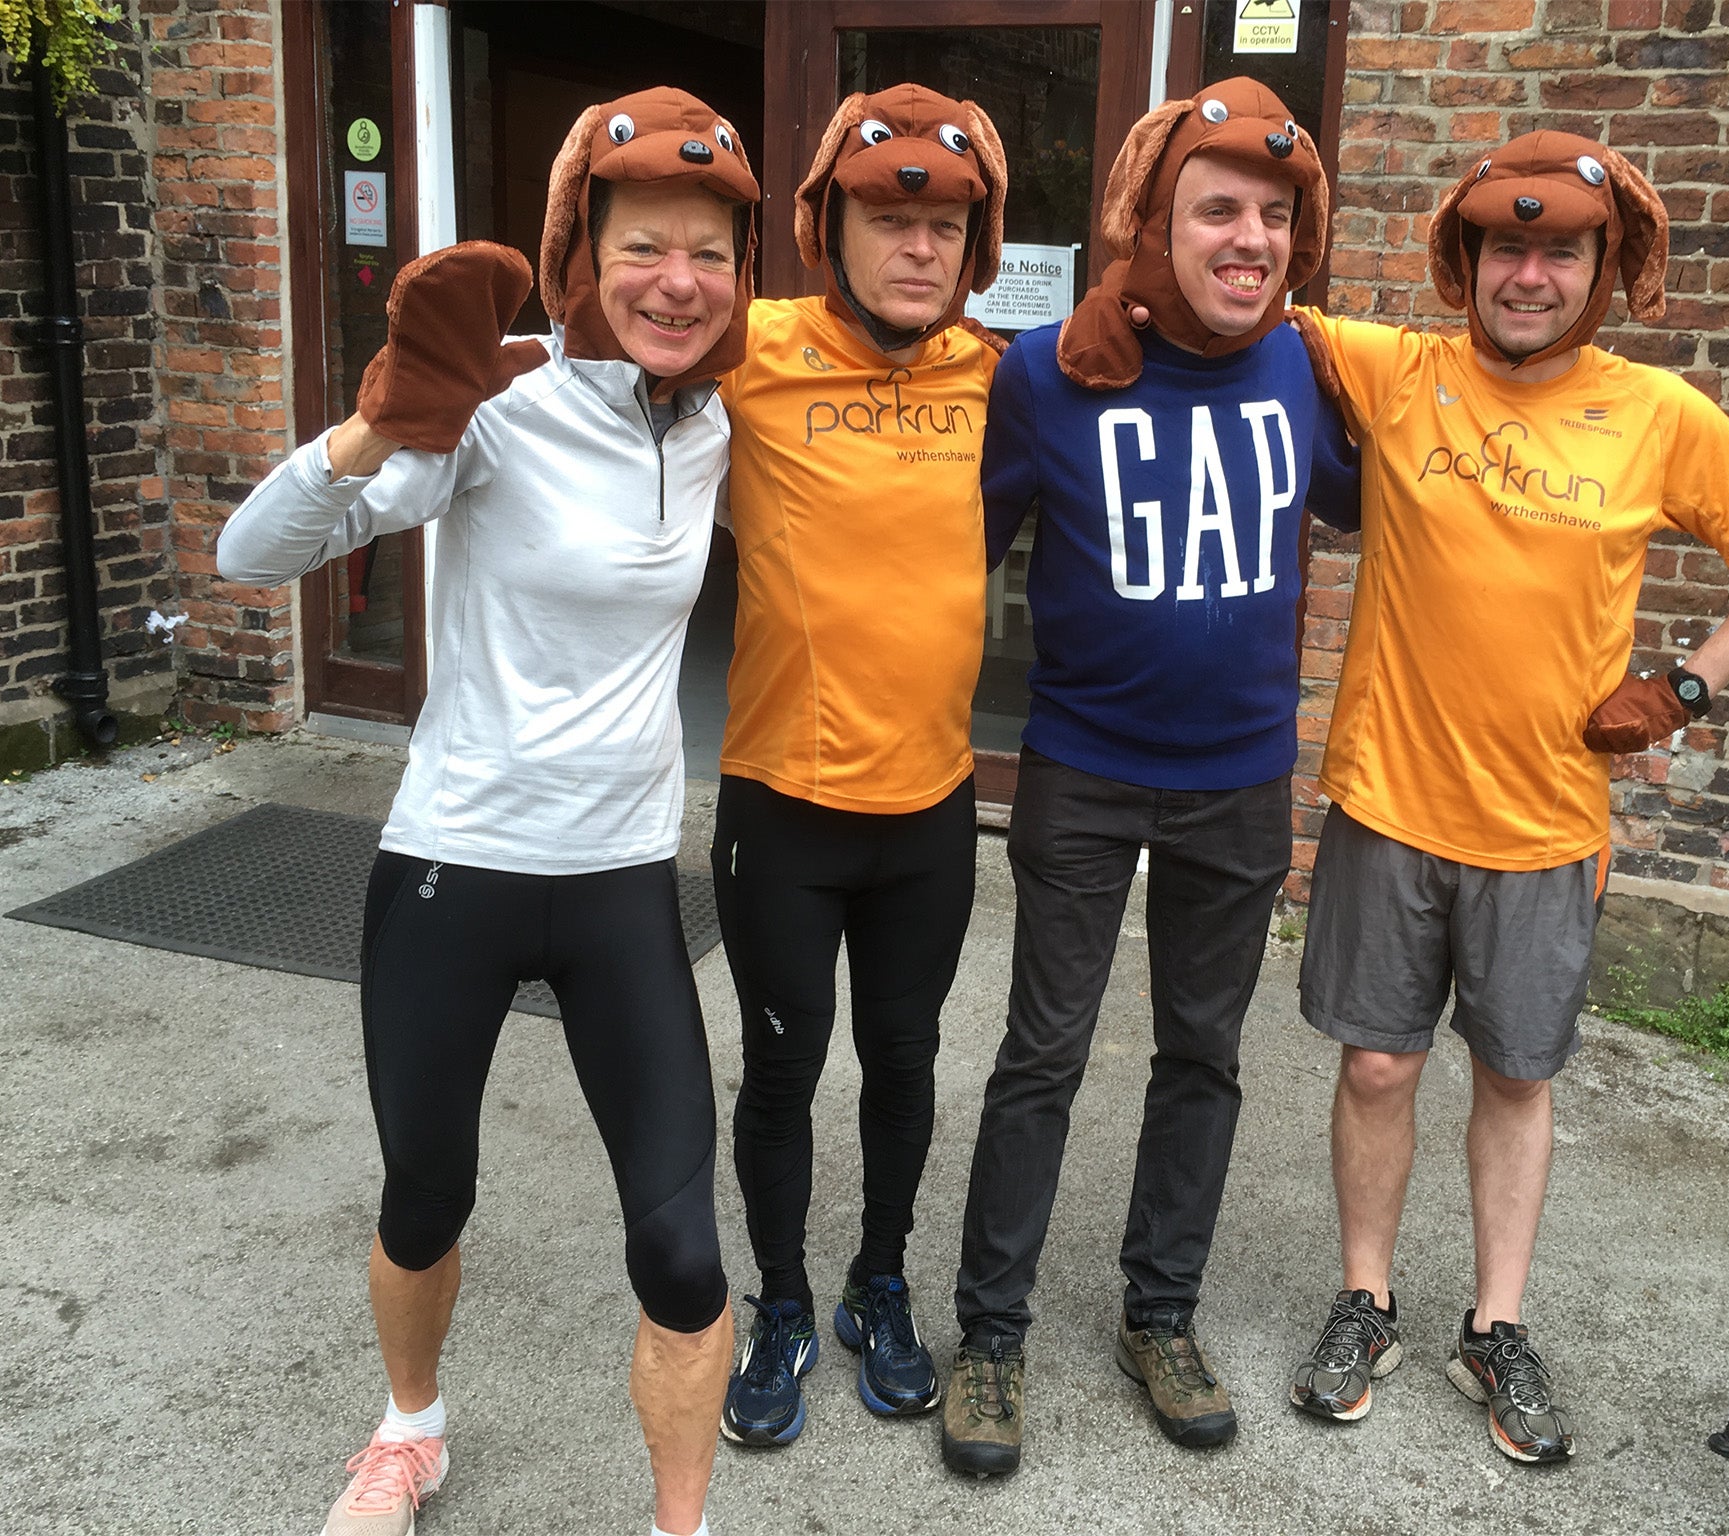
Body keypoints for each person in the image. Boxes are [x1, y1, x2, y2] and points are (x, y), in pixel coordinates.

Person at [217, 89, 759, 1536]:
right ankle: (408, 1434)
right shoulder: (499, 400)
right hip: (455, 859)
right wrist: (375, 422)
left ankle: (680, 1522)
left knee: (687, 1252)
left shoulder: (713, 420)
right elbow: (247, 552)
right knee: (424, 1195)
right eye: (645, 245)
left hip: (621, 881)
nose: (678, 282)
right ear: (584, 250)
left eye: (709, 253)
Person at [1282, 129, 1729, 1464]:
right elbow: (1242, 296)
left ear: (1604, 267)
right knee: (1376, 1063)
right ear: (1465, 259)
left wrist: (1685, 686)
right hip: (1388, 800)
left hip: (1545, 827)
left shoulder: (1658, 417)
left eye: (1559, 250)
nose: (1527, 273)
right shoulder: (1394, 369)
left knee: (1515, 1076)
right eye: (1504, 246)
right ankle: (1366, 1300)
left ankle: (1498, 1323)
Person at [942, 77, 1350, 1477]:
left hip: (1241, 782)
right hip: (1082, 766)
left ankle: (1158, 1314)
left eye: (1274, 214)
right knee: (1041, 1054)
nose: (1248, 237)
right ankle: (989, 1339)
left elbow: (1418, 479)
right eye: (1218, 209)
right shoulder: (1051, 372)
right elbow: (952, 556)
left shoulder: (1311, 368)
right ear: (1154, 224)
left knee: (1205, 1055)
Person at [710, 84, 1008, 1448]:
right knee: (781, 1071)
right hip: (782, 803)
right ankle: (778, 1304)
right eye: (889, 217)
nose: (918, 246)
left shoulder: (996, 373)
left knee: (903, 1060)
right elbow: (612, 332)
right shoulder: (749, 348)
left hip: (931, 812)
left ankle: (876, 1286)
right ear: (829, 223)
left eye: (944, 223)